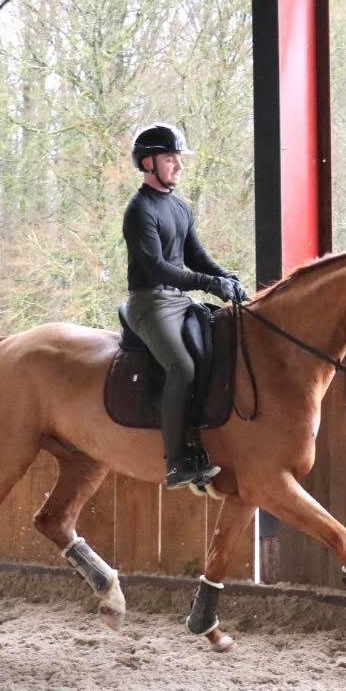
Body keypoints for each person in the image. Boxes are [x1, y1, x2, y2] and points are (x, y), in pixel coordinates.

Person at [121, 122, 248, 489]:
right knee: (182, 367)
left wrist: (227, 277)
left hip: (180, 299)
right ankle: (177, 460)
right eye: (170, 158)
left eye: (179, 158)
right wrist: (209, 284)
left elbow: (195, 256)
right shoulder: (139, 210)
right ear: (148, 163)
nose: (178, 165)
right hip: (150, 303)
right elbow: (158, 266)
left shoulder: (180, 208)